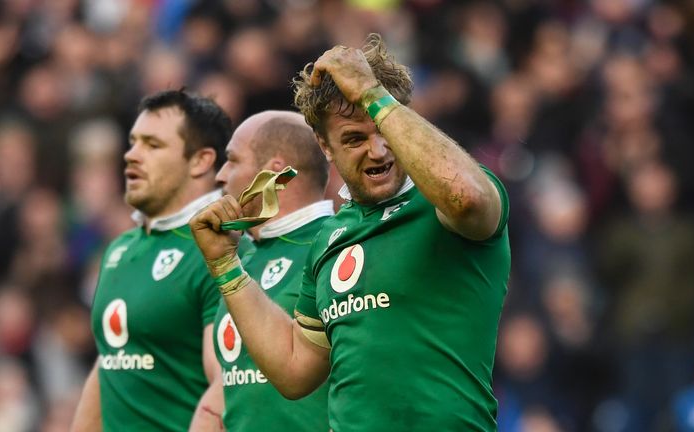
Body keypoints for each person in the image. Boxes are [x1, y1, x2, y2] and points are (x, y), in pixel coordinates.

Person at [190, 34, 511, 431]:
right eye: (355, 139)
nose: (378, 150)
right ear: (325, 147)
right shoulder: (331, 238)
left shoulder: (445, 206)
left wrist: (372, 95)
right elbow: (294, 369)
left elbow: (465, 197)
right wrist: (226, 265)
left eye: (383, 128)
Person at [71, 89, 241, 431]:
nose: (131, 155)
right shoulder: (120, 249)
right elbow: (112, 361)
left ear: (201, 161)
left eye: (153, 145)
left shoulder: (221, 248)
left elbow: (227, 384)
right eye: (133, 142)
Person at [190, 110, 332, 431]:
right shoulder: (240, 258)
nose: (220, 175)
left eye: (233, 160)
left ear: (273, 172)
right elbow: (228, 387)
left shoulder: (337, 245)